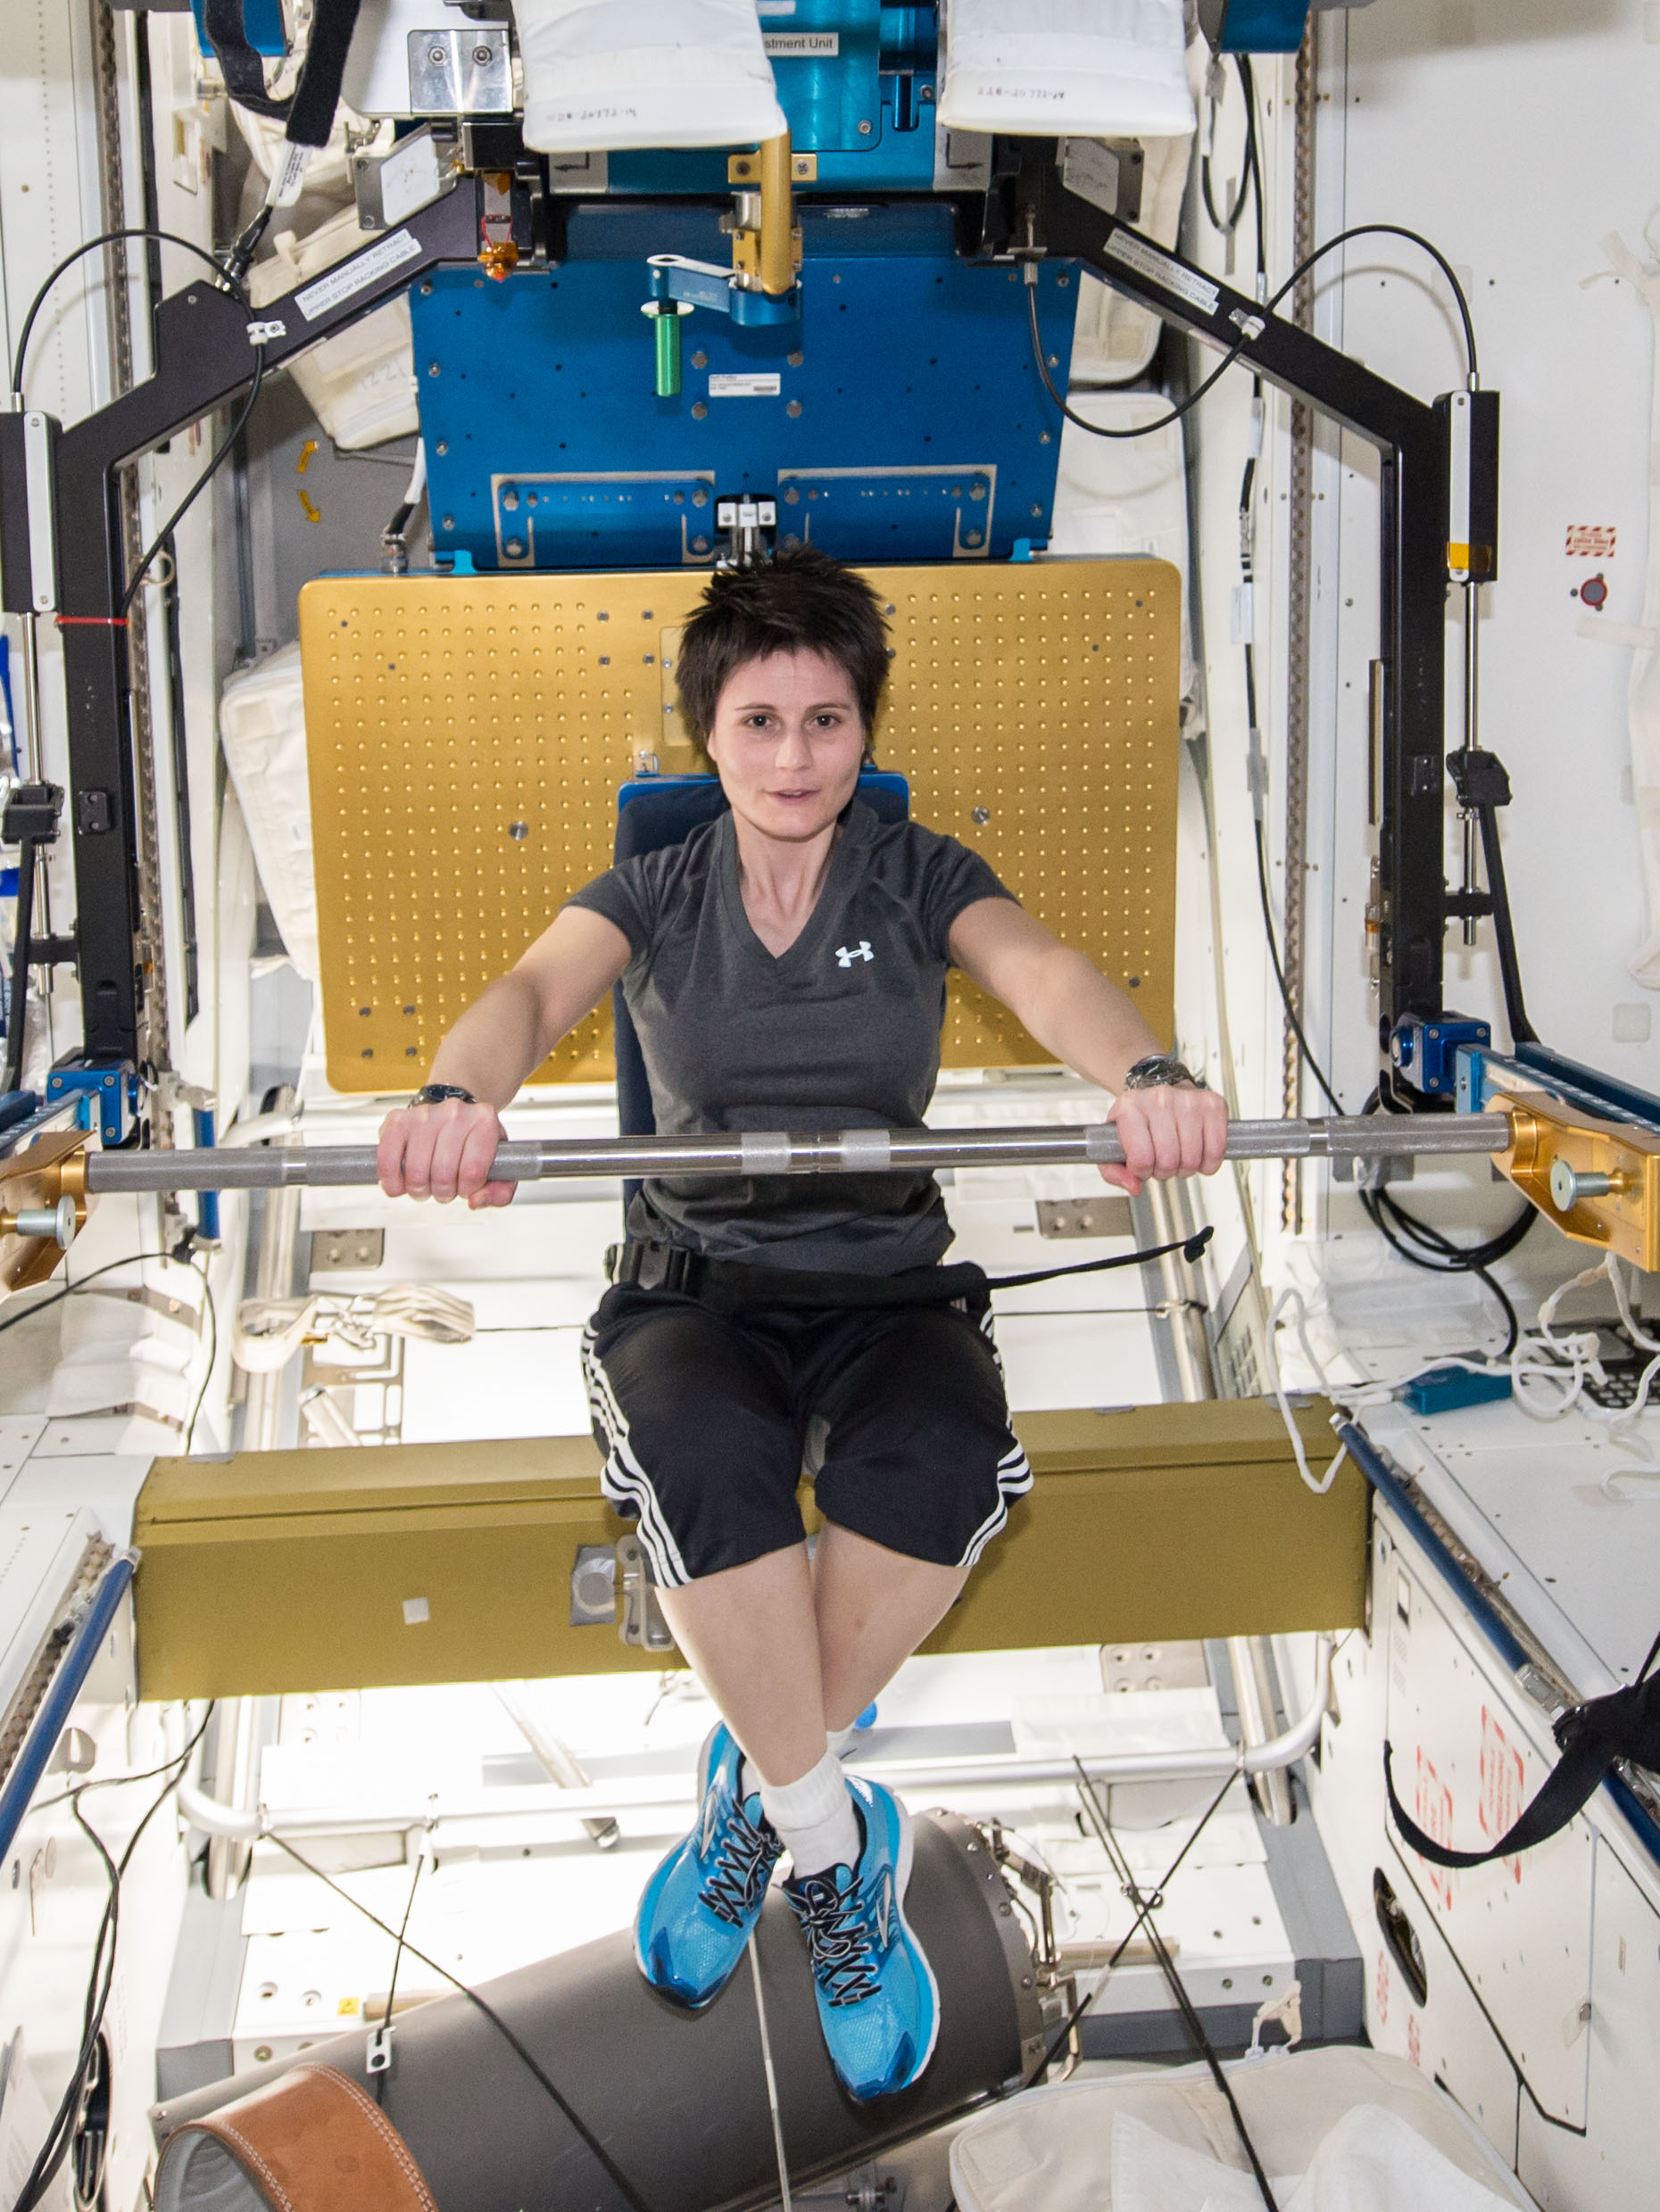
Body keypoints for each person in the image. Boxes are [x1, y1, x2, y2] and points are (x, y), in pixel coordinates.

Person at [370, 549, 1226, 2099]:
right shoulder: (654, 886)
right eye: (758, 722)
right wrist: (455, 1096)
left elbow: (1043, 975)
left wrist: (1146, 1075)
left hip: (887, 1281)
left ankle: (753, 1801)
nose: (790, 758)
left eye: (825, 722)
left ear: (864, 732)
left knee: (950, 1466)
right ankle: (834, 1853)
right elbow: (523, 993)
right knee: (705, 1470)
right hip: (698, 1291)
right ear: (709, 736)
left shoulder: (918, 874)